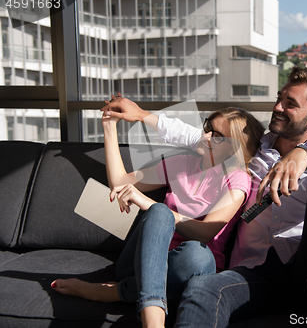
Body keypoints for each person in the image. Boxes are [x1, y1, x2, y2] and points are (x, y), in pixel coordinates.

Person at [99, 66, 307, 327]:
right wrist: (141, 114)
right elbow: (197, 137)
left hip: (305, 264)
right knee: (202, 288)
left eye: (290, 104)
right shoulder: (253, 148)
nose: (278, 107)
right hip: (254, 273)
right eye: (280, 98)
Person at [51, 103, 265, 328]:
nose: (206, 135)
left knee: (197, 254)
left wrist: (148, 203)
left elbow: (206, 232)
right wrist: (109, 127)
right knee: (160, 212)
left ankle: (116, 291)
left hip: (187, 270)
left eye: (218, 136)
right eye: (208, 127)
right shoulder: (182, 163)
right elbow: (119, 182)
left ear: (234, 149)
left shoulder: (237, 178)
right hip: (140, 262)